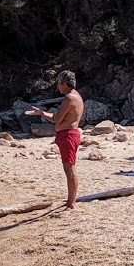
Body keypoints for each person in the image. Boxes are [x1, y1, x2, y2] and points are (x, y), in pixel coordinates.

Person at [25, 71, 85, 209]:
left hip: (68, 135)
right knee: (69, 167)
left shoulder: (69, 98)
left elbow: (57, 119)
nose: (57, 87)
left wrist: (41, 113)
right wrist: (41, 113)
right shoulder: (76, 96)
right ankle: (71, 200)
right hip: (69, 134)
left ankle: (71, 203)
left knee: (69, 168)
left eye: (59, 83)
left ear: (65, 83)